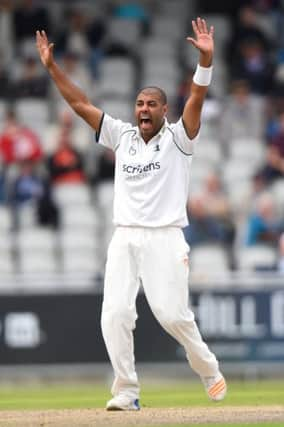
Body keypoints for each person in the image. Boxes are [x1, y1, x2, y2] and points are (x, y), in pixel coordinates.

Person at [36, 17, 227, 411]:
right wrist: (53, 67)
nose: (144, 109)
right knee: (114, 314)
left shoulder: (178, 138)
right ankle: (126, 391)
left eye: (151, 104)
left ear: (163, 109)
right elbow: (79, 103)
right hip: (125, 235)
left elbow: (196, 98)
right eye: (140, 103)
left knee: (171, 314)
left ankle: (207, 367)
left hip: (165, 235)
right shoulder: (121, 136)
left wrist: (205, 62)